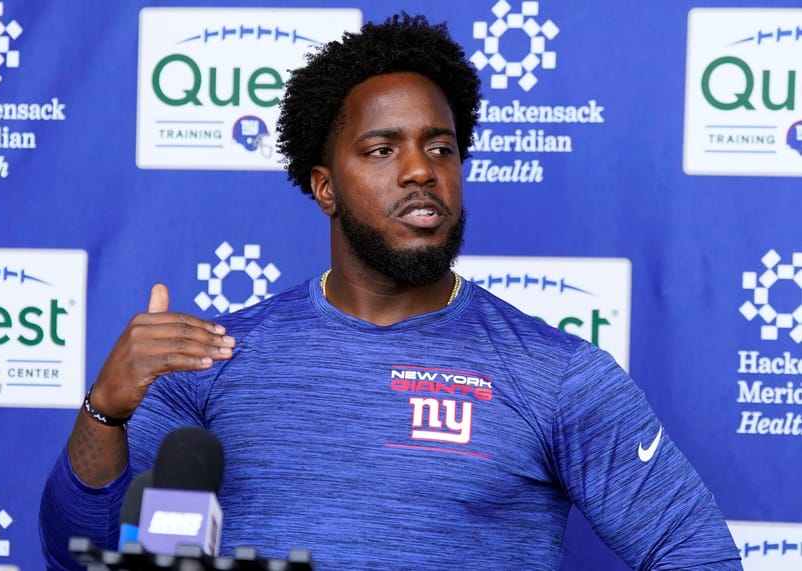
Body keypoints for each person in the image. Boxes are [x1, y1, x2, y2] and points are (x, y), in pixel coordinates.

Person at [39, 13, 742, 570]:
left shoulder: (556, 374)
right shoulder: (216, 357)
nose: (419, 170)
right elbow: (82, 556)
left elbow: (698, 555)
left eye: (441, 147)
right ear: (324, 186)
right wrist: (105, 411)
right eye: (381, 150)